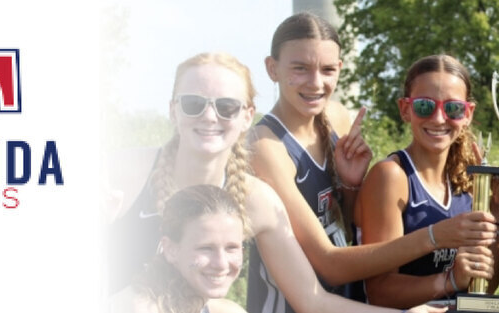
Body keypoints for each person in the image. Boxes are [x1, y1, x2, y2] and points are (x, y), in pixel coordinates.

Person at [107, 51, 455, 313]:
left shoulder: (256, 197)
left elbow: (312, 299)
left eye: (226, 106)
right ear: (172, 110)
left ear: (247, 116)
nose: (209, 116)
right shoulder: (123, 171)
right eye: (193, 104)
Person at [249, 13, 497, 312]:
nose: (316, 83)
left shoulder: (336, 118)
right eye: (300, 68)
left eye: (327, 69)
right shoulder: (265, 146)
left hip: (344, 303)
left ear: (340, 69)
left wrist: (351, 187)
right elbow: (328, 263)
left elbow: (347, 235)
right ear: (272, 68)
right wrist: (434, 237)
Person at [355, 54, 499, 308]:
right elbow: (379, 291)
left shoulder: (466, 180)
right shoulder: (391, 177)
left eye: (453, 108)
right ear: (405, 109)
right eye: (425, 106)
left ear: (468, 113)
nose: (438, 118)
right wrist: (450, 280)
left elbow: (483, 289)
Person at [111, 185, 250, 313]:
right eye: (206, 248)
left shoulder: (225, 310)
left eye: (231, 248)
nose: (221, 263)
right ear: (171, 250)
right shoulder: (135, 308)